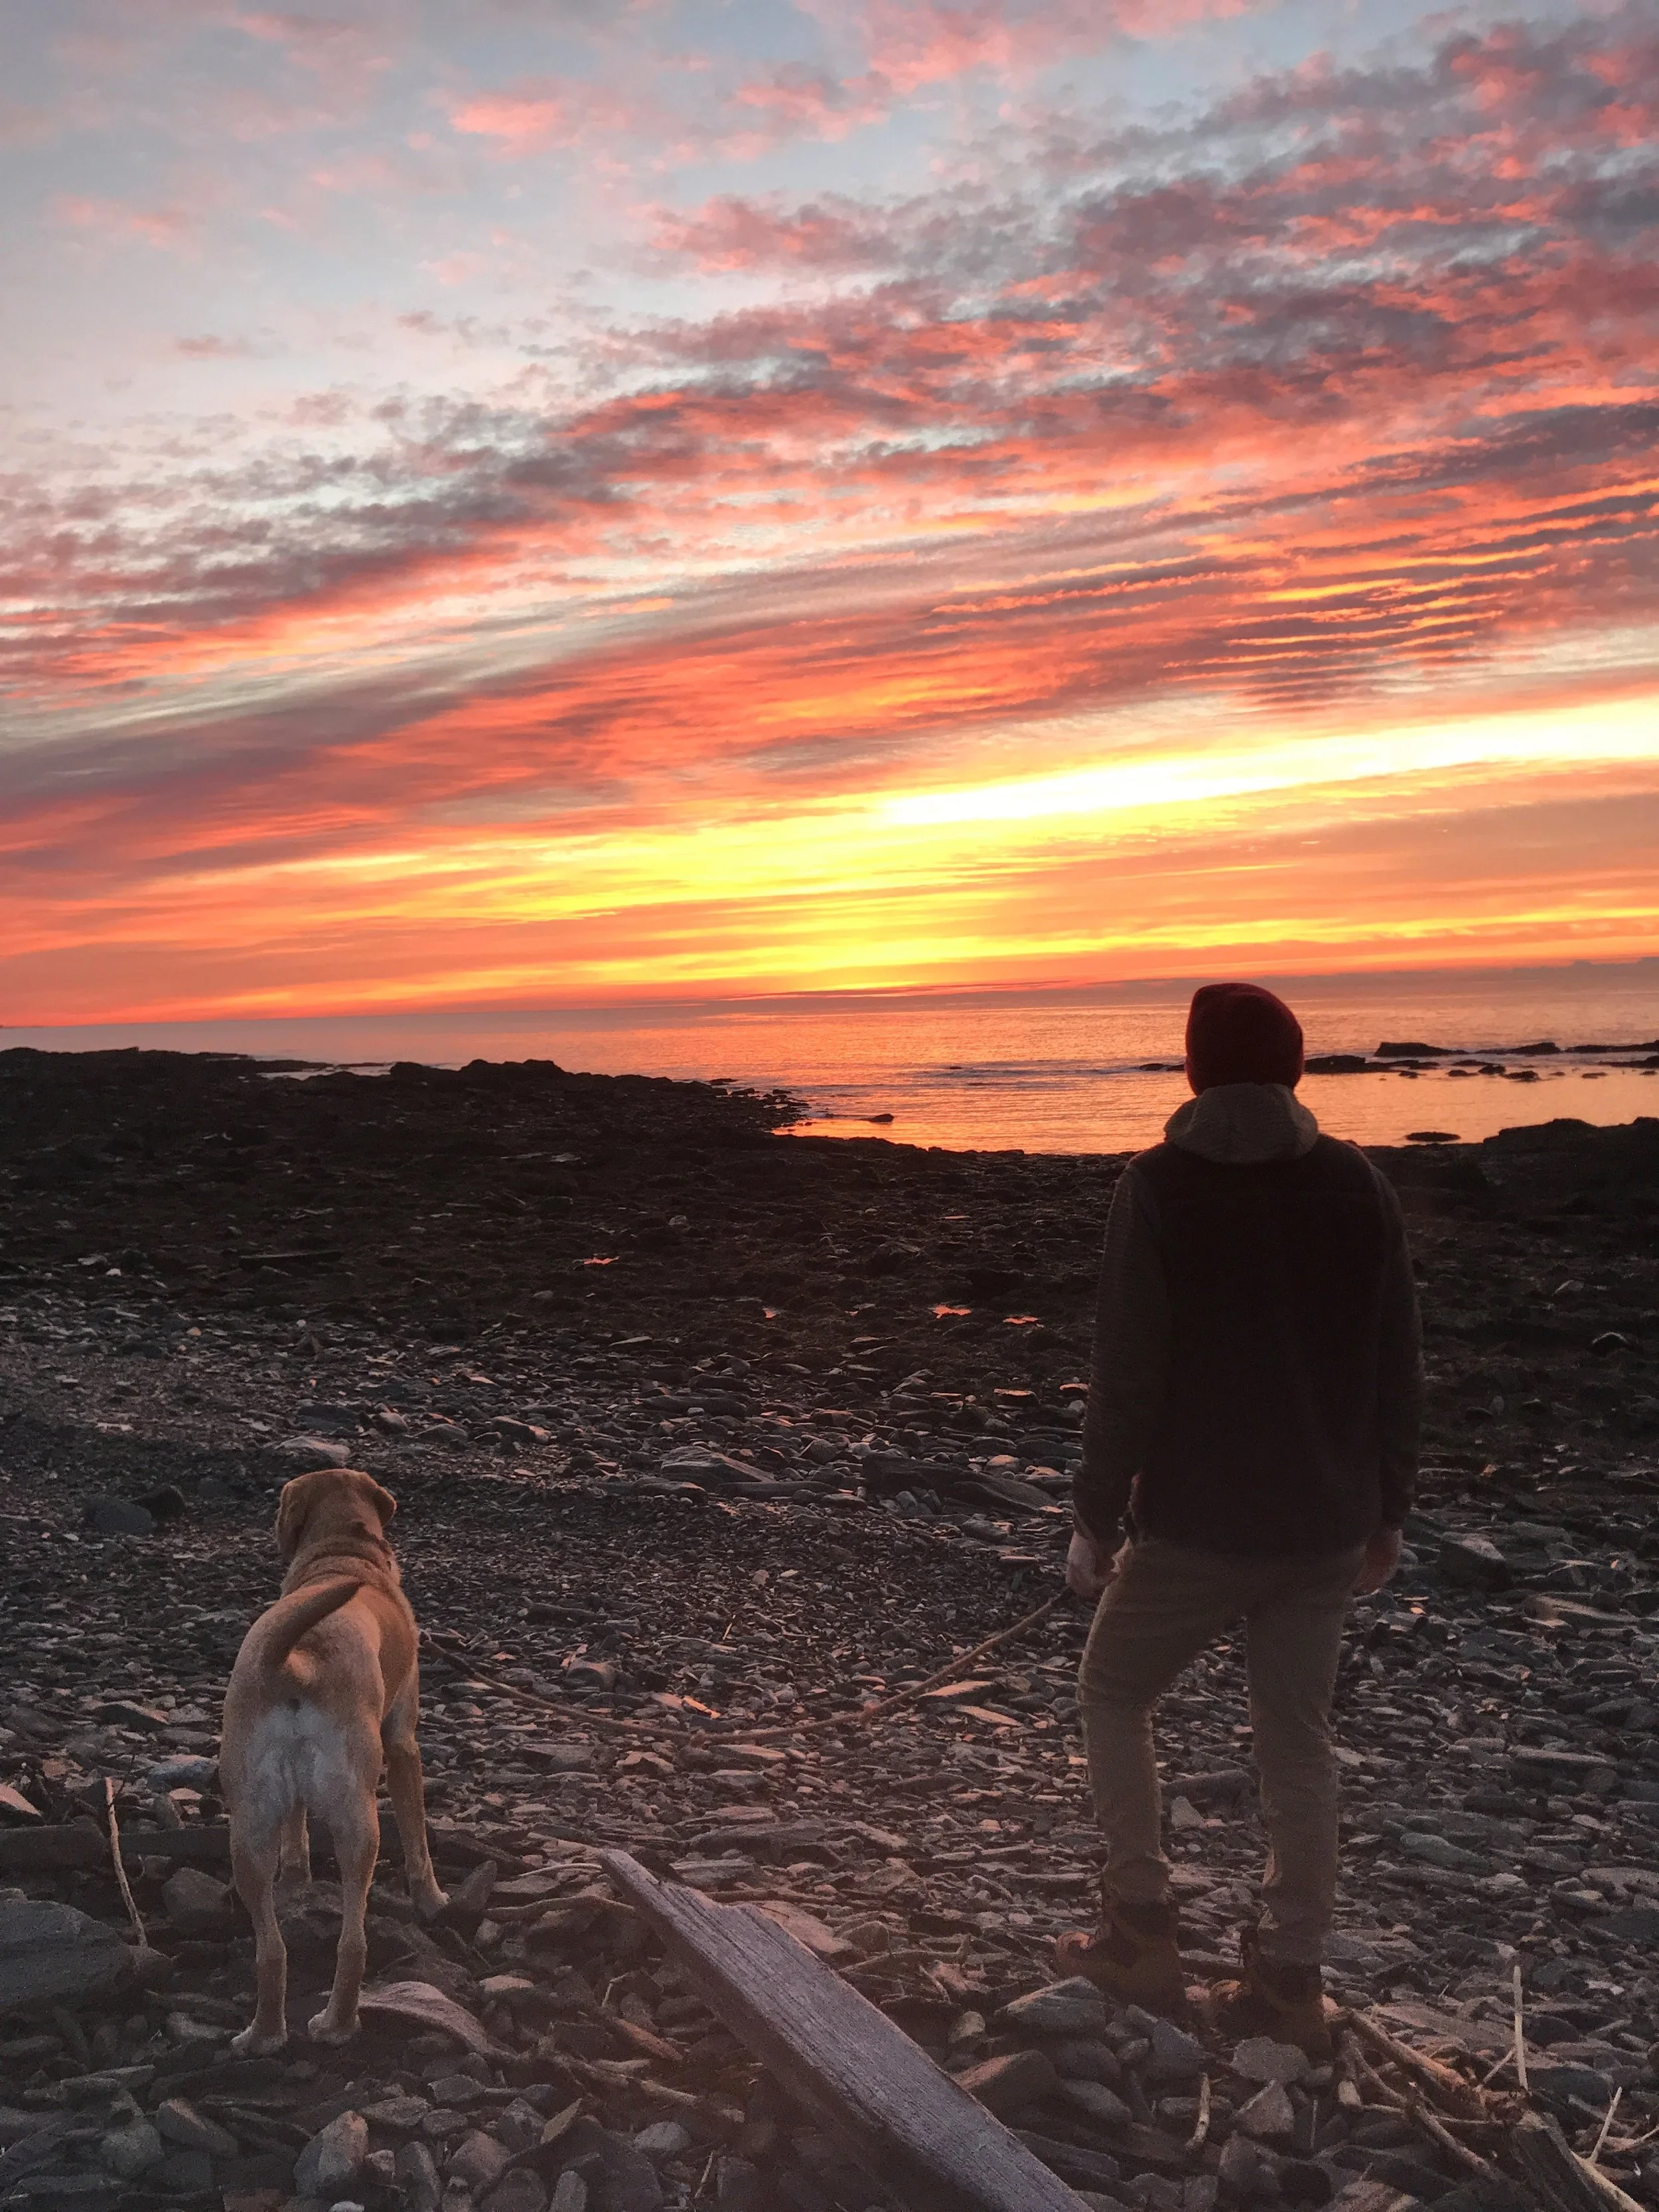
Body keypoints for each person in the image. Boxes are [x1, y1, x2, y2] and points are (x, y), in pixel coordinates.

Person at [1056, 982, 1422, 2055]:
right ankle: (1292, 1979)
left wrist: (1093, 1517)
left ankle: (1140, 1928)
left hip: (1200, 1522)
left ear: (1193, 1073)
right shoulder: (1358, 1183)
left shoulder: (1160, 1186)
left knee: (1112, 1691)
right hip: (1323, 1525)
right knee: (1296, 1744)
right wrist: (1388, 1508)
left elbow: (1127, 1371)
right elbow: (1398, 1360)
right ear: (1298, 1069)